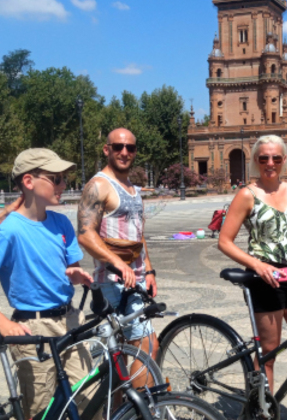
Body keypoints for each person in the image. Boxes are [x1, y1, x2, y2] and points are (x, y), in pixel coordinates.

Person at [0, 148, 97, 416]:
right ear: (29, 181)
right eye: (56, 178)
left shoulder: (61, 222)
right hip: (34, 329)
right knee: (41, 410)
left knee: (90, 401)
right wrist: (3, 323)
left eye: (64, 178)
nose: (63, 185)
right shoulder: (8, 231)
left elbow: (71, 267)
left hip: (70, 321)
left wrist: (75, 274)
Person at [217, 135, 287, 394]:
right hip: (266, 280)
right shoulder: (247, 195)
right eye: (264, 158)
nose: (270, 163)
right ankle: (262, 407)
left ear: (284, 160)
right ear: (256, 161)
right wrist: (257, 265)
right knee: (269, 351)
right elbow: (224, 241)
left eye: (276, 158)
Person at [78, 128, 160, 374]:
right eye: (118, 147)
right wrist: (119, 264)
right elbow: (85, 234)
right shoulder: (99, 185)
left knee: (121, 355)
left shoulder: (132, 188)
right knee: (147, 347)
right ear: (107, 150)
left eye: (130, 148)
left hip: (135, 280)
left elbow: (138, 232)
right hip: (113, 281)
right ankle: (142, 400)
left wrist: (148, 271)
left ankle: (121, 399)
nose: (124, 152)